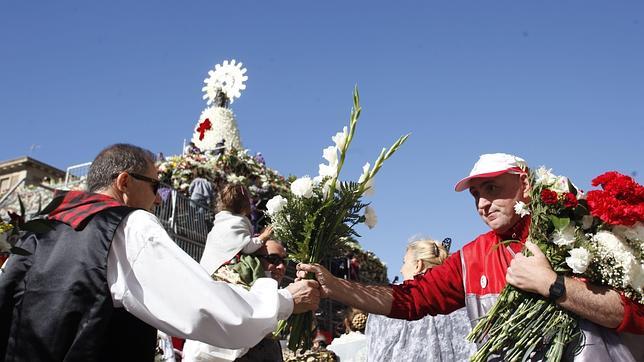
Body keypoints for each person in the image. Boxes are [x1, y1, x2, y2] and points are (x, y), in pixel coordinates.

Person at [298, 153, 644, 361]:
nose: (481, 203)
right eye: (476, 195)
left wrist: (553, 285)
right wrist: (335, 287)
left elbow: (634, 315)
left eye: (492, 189)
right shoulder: (472, 257)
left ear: (524, 184)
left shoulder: (579, 231)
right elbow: (410, 299)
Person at [0, 143, 320, 361]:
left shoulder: (39, 230)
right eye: (155, 186)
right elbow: (208, 310)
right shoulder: (127, 227)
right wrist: (285, 299)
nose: (158, 199)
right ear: (124, 181)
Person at [365, 238, 476, 361]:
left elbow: (377, 353)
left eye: (404, 262)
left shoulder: (396, 300)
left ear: (418, 265)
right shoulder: (464, 302)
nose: (401, 270)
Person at [199, 183, 273, 276]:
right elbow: (247, 248)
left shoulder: (220, 222)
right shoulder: (238, 221)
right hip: (222, 272)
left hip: (207, 268)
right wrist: (263, 237)